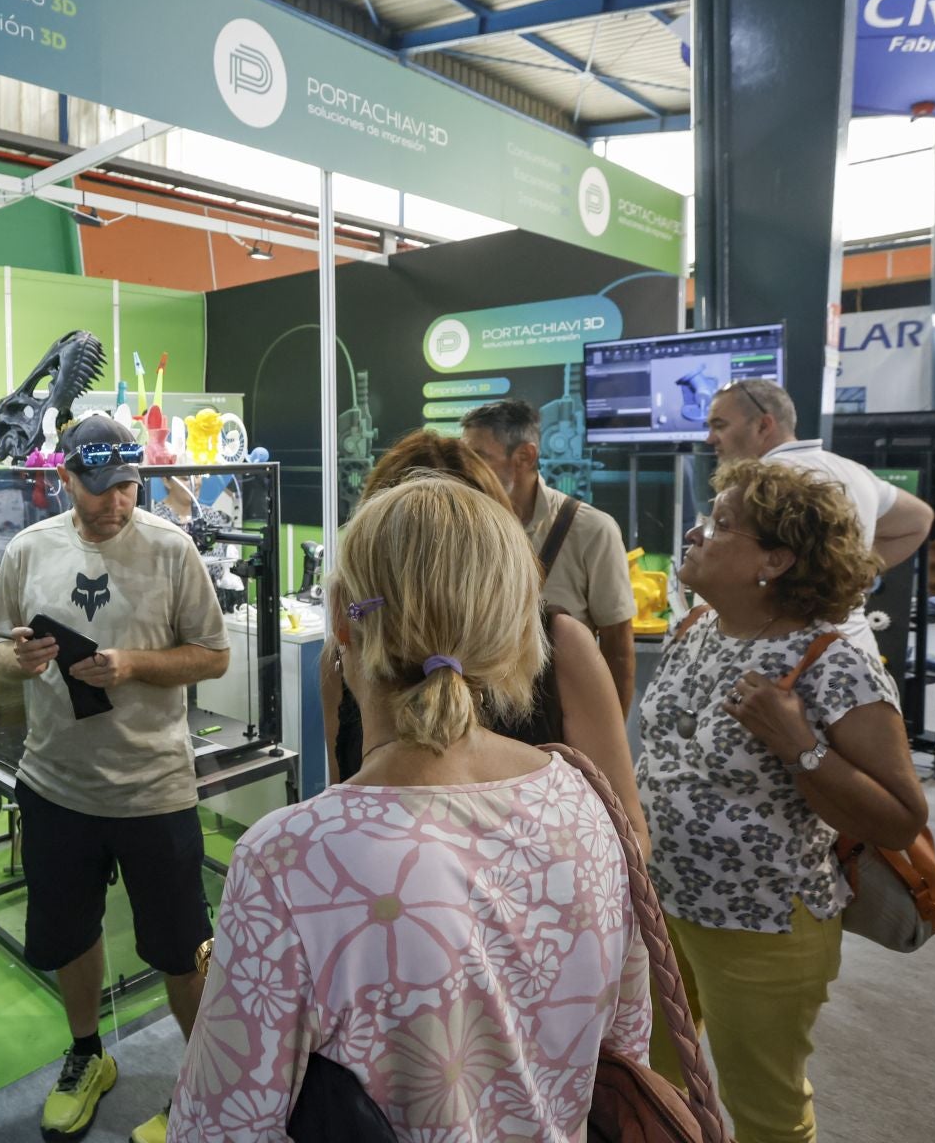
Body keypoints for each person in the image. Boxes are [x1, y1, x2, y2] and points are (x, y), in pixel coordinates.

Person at [169, 474, 649, 1140]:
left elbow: (220, 1127)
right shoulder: (587, 801)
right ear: (512, 631)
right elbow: (625, 1056)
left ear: (342, 621)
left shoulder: (292, 858)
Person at [637, 459, 929, 1143]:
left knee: (764, 1107)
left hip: (761, 922)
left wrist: (801, 745)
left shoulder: (829, 661)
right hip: (662, 904)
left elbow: (901, 816)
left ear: (775, 558)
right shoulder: (695, 631)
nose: (696, 532)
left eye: (722, 525)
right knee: (652, 1080)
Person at [0, 413, 230, 1143]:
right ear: (64, 480)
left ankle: (207, 1084)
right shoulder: (29, 551)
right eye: (98, 490)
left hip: (155, 788)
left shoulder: (172, 549)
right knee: (68, 932)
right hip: (56, 785)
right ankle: (87, 1053)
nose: (115, 503)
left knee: (182, 946)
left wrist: (134, 665)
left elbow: (212, 655)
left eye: (127, 487)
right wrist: (16, 659)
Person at [319, 429, 649, 851]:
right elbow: (344, 805)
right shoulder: (344, 657)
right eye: (402, 545)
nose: (430, 579)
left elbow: (628, 833)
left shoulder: (563, 645)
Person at [703, 377, 934, 655]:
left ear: (764, 425)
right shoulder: (851, 471)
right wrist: (853, 573)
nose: (710, 439)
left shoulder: (751, 489)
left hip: (785, 657)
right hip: (855, 653)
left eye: (720, 425)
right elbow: (919, 519)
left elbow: (725, 581)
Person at [461, 399, 637, 711]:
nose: (466, 470)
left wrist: (610, 744)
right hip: (479, 720)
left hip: (562, 721)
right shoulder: (465, 528)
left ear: (524, 456)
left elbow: (618, 649)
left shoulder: (592, 530)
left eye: (479, 458)